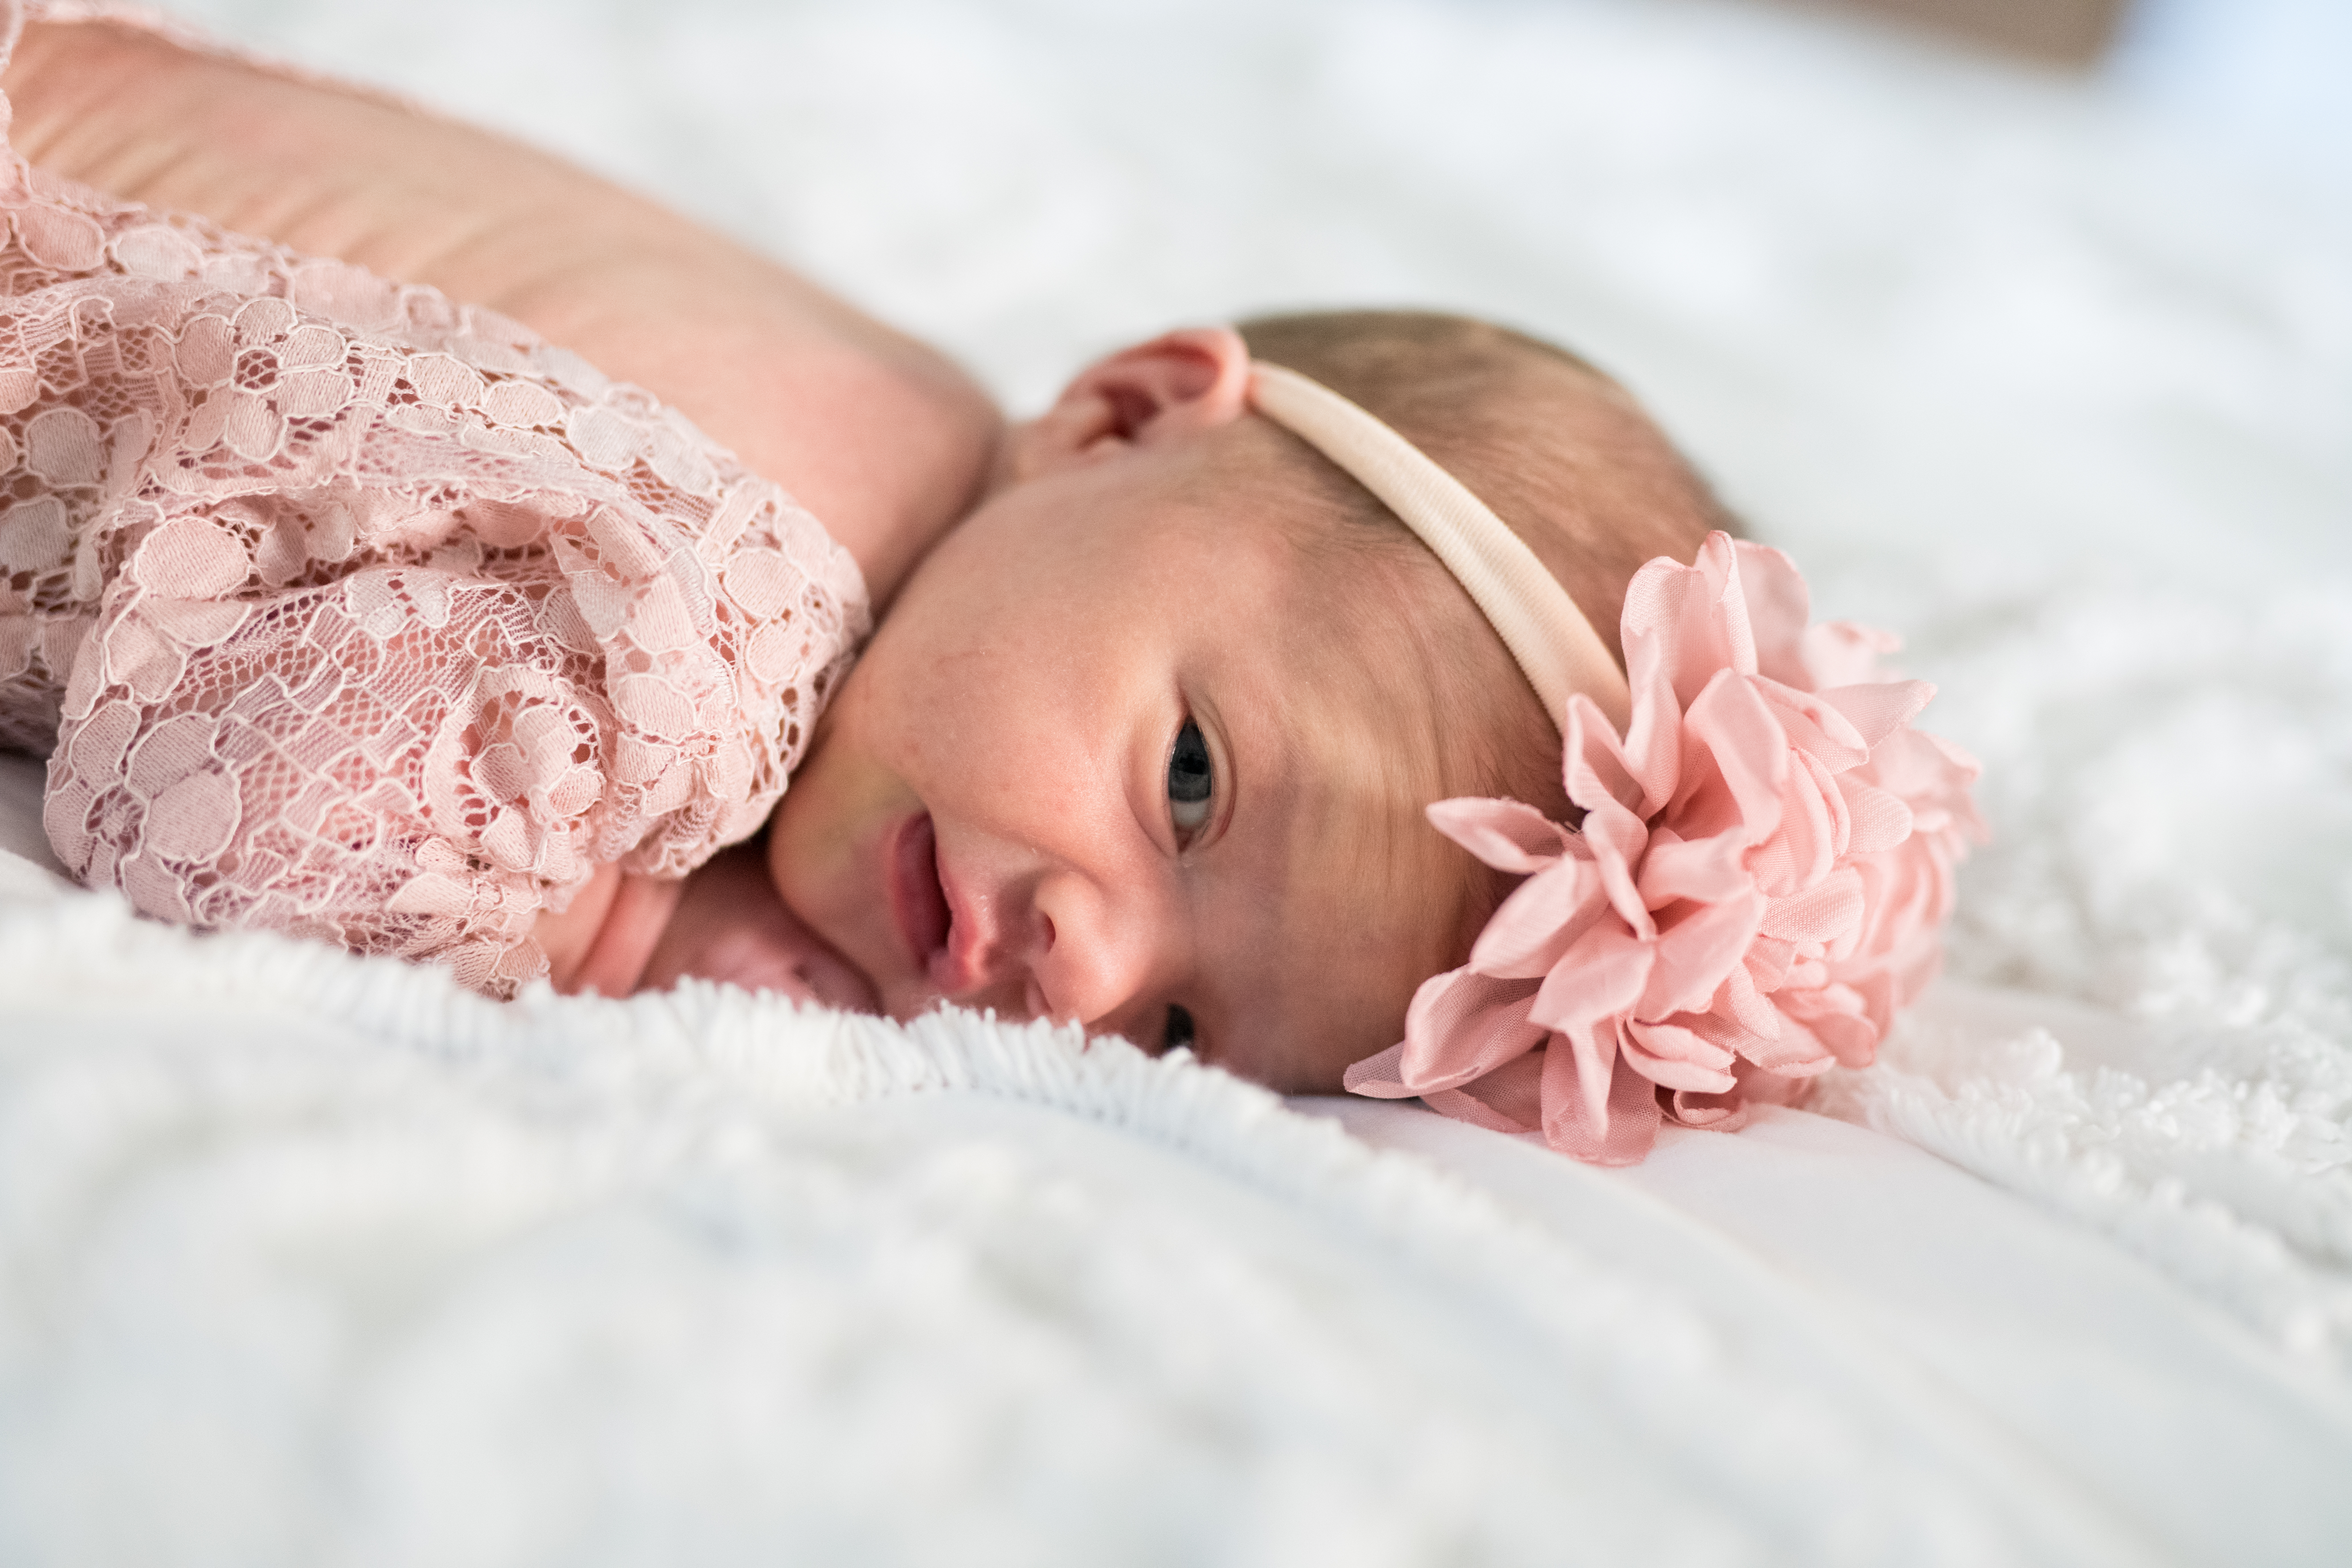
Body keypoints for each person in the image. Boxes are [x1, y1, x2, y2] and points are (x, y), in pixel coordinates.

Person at [0, 3, 1978, 1164]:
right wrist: (627, 934)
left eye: (1189, 1036)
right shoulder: (734, 608)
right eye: (1194, 782)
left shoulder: (926, 434)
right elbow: (212, 796)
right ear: (1124, 414)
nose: (1094, 973)